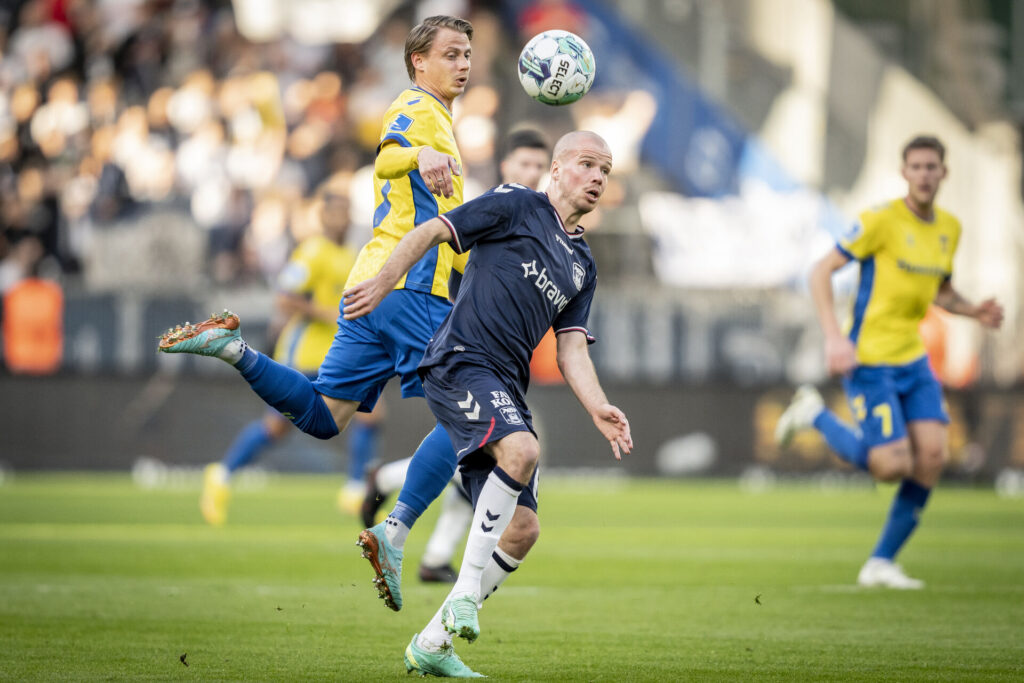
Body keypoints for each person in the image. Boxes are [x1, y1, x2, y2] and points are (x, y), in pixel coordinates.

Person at [156, 16, 475, 596]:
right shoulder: (418, 108)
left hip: (369, 287)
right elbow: (386, 157)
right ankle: (396, 532)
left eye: (467, 53)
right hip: (409, 288)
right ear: (417, 62)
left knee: (325, 417)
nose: (463, 62)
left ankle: (234, 349)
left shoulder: (441, 119)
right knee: (471, 421)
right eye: (450, 53)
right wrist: (421, 152)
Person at [344, 130, 632, 678]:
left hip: (506, 384)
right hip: (461, 360)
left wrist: (598, 406)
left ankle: (431, 643)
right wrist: (384, 279)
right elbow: (434, 229)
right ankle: (456, 595)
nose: (597, 178)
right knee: (522, 449)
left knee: (524, 531)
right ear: (557, 167)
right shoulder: (517, 204)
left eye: (606, 170)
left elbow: (571, 349)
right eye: (588, 165)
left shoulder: (582, 265)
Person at [775, 135, 1003, 589]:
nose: (924, 174)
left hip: (913, 359)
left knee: (933, 457)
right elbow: (820, 271)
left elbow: (939, 290)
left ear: (943, 173)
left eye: (931, 167)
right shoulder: (879, 221)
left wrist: (973, 310)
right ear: (904, 173)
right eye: (915, 166)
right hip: (869, 358)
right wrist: (835, 338)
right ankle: (814, 414)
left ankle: (880, 562)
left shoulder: (949, 229)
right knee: (891, 466)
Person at [360, 128, 552, 584]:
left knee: (480, 461)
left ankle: (430, 553)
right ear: (505, 167)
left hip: (502, 368)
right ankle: (391, 497)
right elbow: (443, 245)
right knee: (494, 448)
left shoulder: (539, 228)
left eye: (538, 167)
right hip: (463, 351)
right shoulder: (497, 209)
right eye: (523, 164)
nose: (531, 173)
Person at [198, 187, 383, 525]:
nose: (342, 219)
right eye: (336, 211)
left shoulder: (352, 255)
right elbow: (285, 298)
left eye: (347, 211)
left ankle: (355, 488)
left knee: (371, 413)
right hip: (303, 354)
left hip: (335, 354)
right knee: (276, 427)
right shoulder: (312, 252)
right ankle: (222, 475)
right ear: (323, 215)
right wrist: (326, 313)